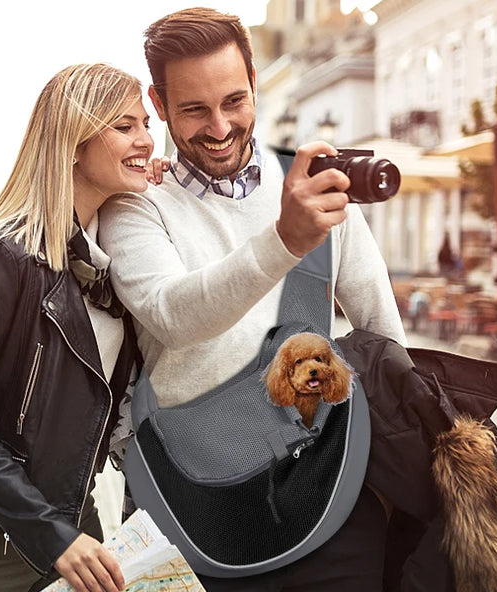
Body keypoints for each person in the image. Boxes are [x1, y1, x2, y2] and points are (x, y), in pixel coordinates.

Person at [98, 8, 406, 590]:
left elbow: (384, 334)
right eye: (193, 109)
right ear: (159, 106)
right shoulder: (137, 205)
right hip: (189, 505)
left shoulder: (315, 187)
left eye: (234, 101)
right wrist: (285, 240)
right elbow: (174, 314)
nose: (218, 127)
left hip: (334, 493)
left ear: (256, 83)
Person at [0, 63, 152, 592]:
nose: (146, 140)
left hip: (76, 530)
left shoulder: (111, 265)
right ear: (72, 141)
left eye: (146, 123)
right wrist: (51, 535)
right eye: (125, 126)